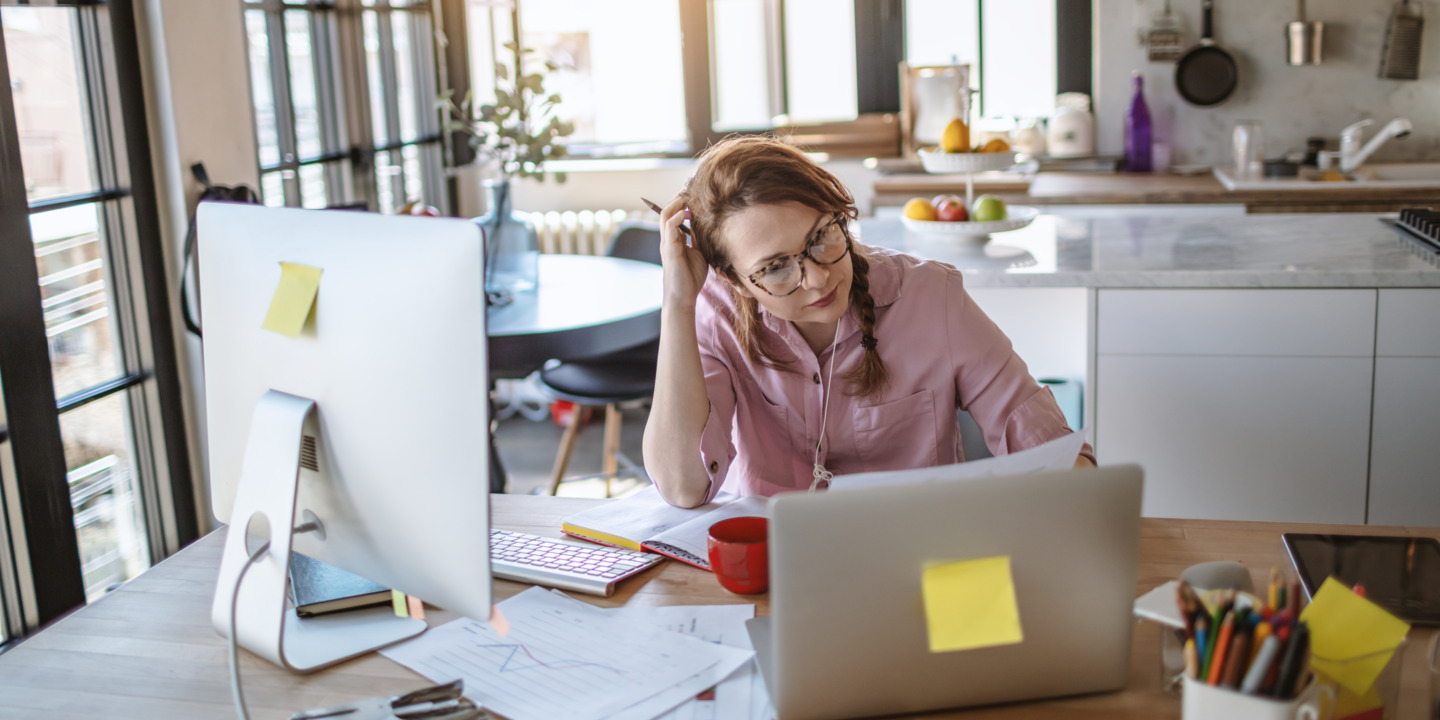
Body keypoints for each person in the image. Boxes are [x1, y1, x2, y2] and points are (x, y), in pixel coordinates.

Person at [642, 136, 1094, 509]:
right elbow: (684, 487)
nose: (817, 278)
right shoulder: (716, 314)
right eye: (776, 267)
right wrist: (679, 302)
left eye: (821, 236)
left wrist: (1074, 487)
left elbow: (1054, 454)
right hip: (776, 567)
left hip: (920, 560)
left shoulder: (931, 298)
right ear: (735, 281)